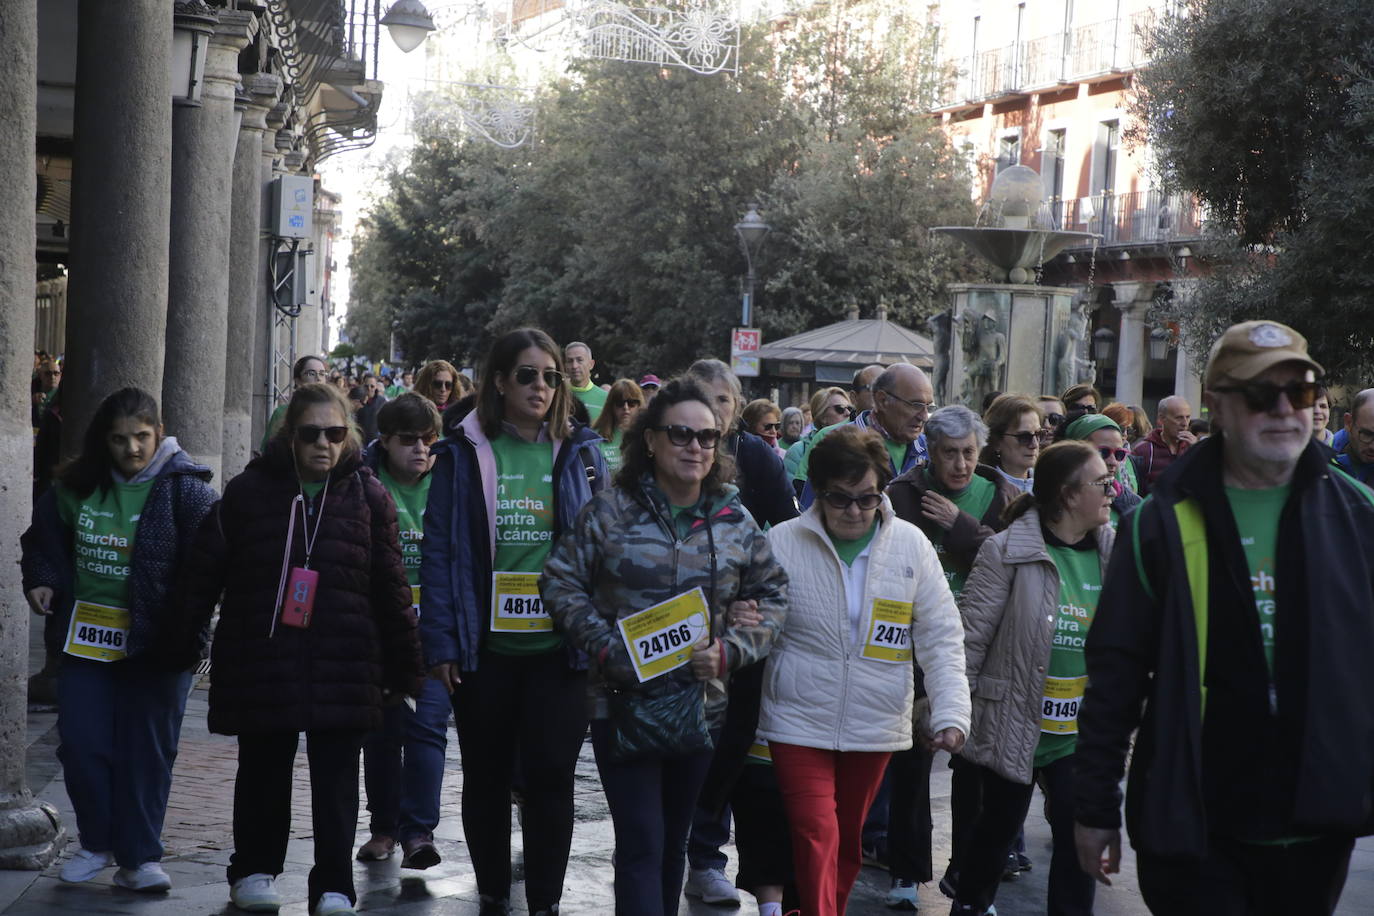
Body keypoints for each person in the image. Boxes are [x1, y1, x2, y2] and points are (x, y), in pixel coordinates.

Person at [1075, 320, 1374, 915]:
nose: (1285, 409)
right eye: (1262, 395)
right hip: (1196, 827)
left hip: (1317, 825)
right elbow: (1115, 678)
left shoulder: (1358, 514)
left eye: (1303, 391)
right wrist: (1094, 808)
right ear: (1218, 404)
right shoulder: (1157, 525)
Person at [174, 382, 423, 916]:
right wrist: (183, 639)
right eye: (311, 434)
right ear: (289, 438)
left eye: (335, 434)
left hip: (346, 656)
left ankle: (334, 883)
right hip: (264, 653)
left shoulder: (369, 495)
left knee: (336, 777)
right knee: (264, 766)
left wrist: (405, 670)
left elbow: (391, 587)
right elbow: (205, 571)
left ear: (348, 436)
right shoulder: (249, 492)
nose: (323, 445)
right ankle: (255, 868)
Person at [542, 377, 788, 916]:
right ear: (650, 440)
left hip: (703, 707)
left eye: (707, 437)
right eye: (680, 434)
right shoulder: (610, 511)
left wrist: (733, 650)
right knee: (641, 842)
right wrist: (606, 648)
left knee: (673, 844)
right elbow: (559, 582)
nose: (695, 447)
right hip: (621, 703)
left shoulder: (734, 517)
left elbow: (773, 595)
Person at [421, 329, 607, 916]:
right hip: (486, 650)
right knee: (486, 776)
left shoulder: (581, 450)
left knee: (553, 777)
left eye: (551, 376)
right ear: (499, 381)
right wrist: (443, 641)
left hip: (562, 650)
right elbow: (442, 553)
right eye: (528, 375)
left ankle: (546, 903)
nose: (542, 387)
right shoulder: (463, 450)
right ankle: (495, 893)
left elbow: (605, 545)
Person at [758, 424, 970, 916]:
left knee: (848, 841)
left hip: (876, 721)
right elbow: (755, 624)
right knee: (816, 831)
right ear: (817, 492)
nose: (855, 511)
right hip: (798, 718)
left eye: (867, 499)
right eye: (840, 499)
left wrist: (952, 714)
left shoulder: (912, 546)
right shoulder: (782, 542)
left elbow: (941, 636)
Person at [21, 388, 217, 893]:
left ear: (160, 431)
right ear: (102, 441)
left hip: (159, 645)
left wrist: (192, 634)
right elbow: (42, 540)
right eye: (119, 439)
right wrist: (42, 578)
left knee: (147, 752)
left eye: (142, 437)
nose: (131, 449)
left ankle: (140, 856)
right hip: (86, 640)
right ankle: (97, 842)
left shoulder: (187, 491)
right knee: (83, 744)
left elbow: (211, 565)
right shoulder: (76, 485)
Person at [950, 440, 1116, 916]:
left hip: (1076, 734)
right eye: (1101, 483)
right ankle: (971, 902)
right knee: (997, 828)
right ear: (1067, 495)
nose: (1113, 491)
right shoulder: (1006, 552)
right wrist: (951, 708)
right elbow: (971, 639)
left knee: (1076, 830)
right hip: (1012, 720)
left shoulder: (1113, 552)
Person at [880, 406, 1018, 908]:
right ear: (931, 453)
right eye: (949, 453)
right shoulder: (901, 495)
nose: (959, 464)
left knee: (975, 773)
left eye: (968, 452)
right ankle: (905, 873)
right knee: (911, 765)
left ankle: (968, 879)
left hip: (981, 648)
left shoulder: (1003, 496)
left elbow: (1012, 558)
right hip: (913, 647)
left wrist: (960, 525)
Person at [681, 359, 797, 905]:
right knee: (673, 740)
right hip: (673, 630)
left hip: (740, 634)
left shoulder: (757, 458)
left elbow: (789, 533)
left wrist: (757, 599)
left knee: (728, 743)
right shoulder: (670, 455)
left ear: (735, 411)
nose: (712, 412)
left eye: (722, 402)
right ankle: (661, 845)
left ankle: (704, 856)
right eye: (702, 400)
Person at [355, 394, 453, 870]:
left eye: (429, 440)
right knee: (381, 731)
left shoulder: (449, 482)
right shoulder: (362, 482)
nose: (421, 449)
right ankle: (383, 829)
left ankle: (419, 832)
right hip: (377, 630)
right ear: (386, 441)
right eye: (409, 440)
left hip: (432, 628)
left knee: (428, 728)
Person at [793, 364, 933, 509]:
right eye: (916, 405)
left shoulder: (930, 449)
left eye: (929, 407)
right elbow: (810, 517)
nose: (923, 416)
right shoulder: (837, 445)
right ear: (882, 400)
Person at [1063, 414, 1143, 527]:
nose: (1113, 461)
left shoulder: (1134, 504)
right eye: (1103, 452)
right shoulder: (1055, 501)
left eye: (1119, 454)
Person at [1131, 395, 1198, 495]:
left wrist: (1197, 451)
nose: (1185, 423)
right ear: (1161, 419)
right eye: (1179, 418)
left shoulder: (1194, 447)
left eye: (1188, 417)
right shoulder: (1144, 450)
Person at [979, 394, 1043, 494]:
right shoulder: (982, 490)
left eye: (1039, 434)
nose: (1034, 444)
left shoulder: (1050, 486)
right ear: (996, 442)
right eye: (1024, 437)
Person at [262, 354, 328, 449]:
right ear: (298, 381)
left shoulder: (335, 413)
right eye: (311, 373)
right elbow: (267, 451)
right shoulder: (282, 413)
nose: (318, 378)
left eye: (322, 373)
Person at [592, 378, 644, 474]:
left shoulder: (647, 436)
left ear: (639, 405)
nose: (626, 408)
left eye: (631, 403)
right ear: (611, 406)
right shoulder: (596, 437)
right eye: (620, 403)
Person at [1099, 403, 1143, 492]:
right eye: (1121, 428)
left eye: (1129, 430)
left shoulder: (1132, 460)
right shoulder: (1099, 455)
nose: (1125, 434)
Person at [565, 341, 607, 422]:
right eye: (570, 361)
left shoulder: (606, 399)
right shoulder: (557, 396)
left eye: (579, 360)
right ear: (565, 365)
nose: (574, 366)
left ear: (591, 364)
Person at [356, 373, 389, 443]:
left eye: (372, 386)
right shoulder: (356, 400)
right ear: (362, 385)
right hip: (358, 441)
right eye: (366, 386)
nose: (369, 389)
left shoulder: (382, 401)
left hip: (374, 442)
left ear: (376, 386)